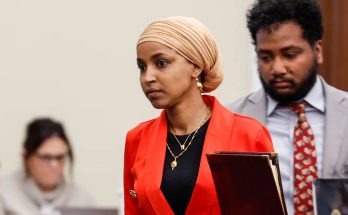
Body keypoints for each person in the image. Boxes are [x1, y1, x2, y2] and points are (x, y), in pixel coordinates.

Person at [123, 16, 274, 215]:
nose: (148, 78)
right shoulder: (137, 138)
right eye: (142, 68)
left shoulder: (248, 134)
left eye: (161, 63)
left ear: (196, 67)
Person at [226, 0, 348, 214]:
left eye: (290, 55)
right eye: (266, 57)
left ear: (317, 50)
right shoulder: (230, 119)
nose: (277, 68)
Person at [0, 118, 94, 215]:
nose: (54, 164)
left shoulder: (81, 199)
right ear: (25, 155)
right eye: (46, 157)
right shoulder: (4, 192)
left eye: (59, 157)